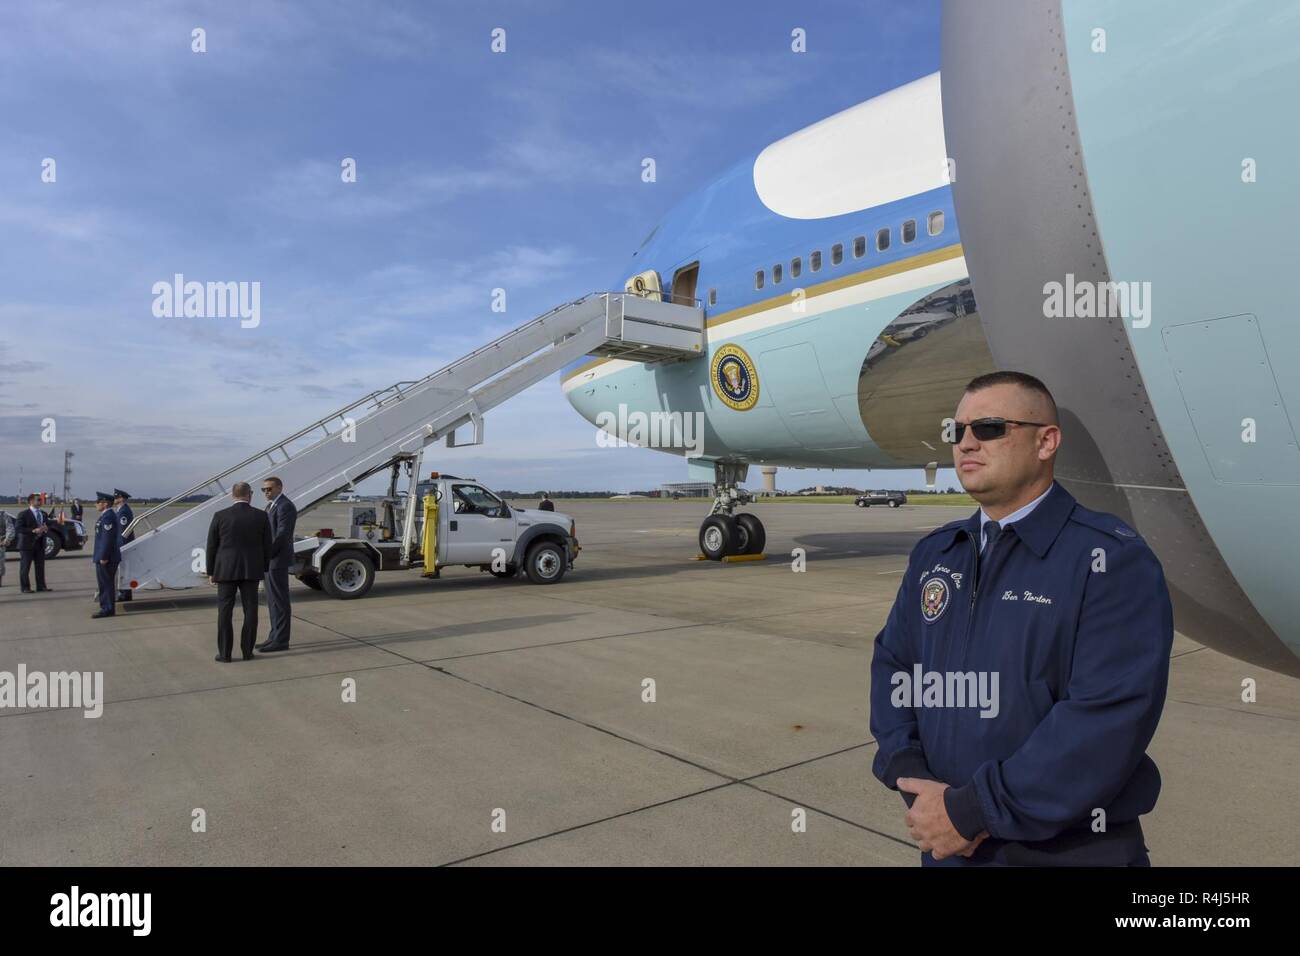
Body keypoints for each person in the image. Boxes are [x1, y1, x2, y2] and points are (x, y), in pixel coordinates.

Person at [869, 371, 1173, 867]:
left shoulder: (1108, 558)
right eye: (956, 430)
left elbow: (1106, 720)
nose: (966, 442)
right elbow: (894, 668)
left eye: (989, 428)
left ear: (1046, 442)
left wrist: (973, 811)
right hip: (946, 841)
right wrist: (911, 778)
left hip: (1064, 851)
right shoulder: (936, 553)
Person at [205, 482, 272, 663]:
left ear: (232, 495)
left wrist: (211, 571)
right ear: (249, 495)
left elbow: (212, 545)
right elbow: (267, 545)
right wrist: (263, 568)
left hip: (225, 570)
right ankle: (247, 652)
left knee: (224, 612)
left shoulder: (220, 516)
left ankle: (225, 653)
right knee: (251, 611)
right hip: (251, 570)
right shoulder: (261, 516)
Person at [257, 476, 297, 653]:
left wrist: (268, 554)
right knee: (272, 600)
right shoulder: (271, 506)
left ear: (279, 488)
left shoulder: (285, 506)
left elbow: (281, 535)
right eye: (264, 489)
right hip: (270, 560)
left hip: (277, 559)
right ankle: (274, 636)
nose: (266, 492)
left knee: (279, 601)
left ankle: (281, 640)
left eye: (269, 489)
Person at [14, 493, 53, 593]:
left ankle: (41, 586)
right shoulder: (23, 514)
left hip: (40, 543)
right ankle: (25, 587)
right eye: (38, 500)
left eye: (40, 500)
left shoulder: (43, 513)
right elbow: (18, 528)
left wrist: (46, 528)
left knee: (40, 566)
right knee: (25, 567)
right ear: (31, 501)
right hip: (27, 544)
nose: (41, 501)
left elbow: (47, 524)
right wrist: (33, 530)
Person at [91, 491, 121, 619]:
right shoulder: (105, 516)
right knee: (104, 583)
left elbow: (107, 539)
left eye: (97, 502)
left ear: (104, 503)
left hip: (106, 558)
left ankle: (107, 608)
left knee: (106, 583)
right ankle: (106, 606)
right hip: (104, 556)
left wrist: (104, 556)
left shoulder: (108, 517)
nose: (95, 505)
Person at [113, 489, 134, 602]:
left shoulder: (124, 512)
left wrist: (120, 548)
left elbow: (123, 533)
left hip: (123, 546)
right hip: (123, 545)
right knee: (124, 570)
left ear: (121, 499)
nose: (114, 499)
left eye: (116, 498)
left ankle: (124, 594)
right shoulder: (121, 510)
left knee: (124, 570)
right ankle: (126, 594)